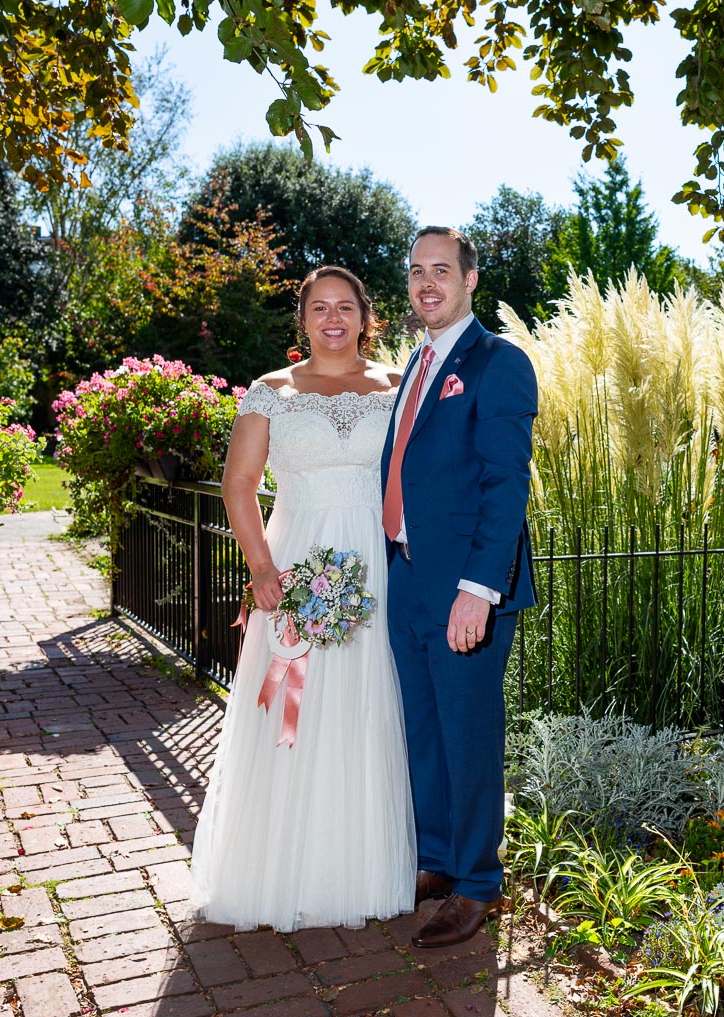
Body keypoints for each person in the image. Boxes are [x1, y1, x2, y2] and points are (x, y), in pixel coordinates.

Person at [190, 266, 415, 931]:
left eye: (346, 306)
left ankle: (360, 867)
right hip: (297, 566)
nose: (333, 318)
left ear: (366, 316)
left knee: (364, 705)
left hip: (376, 566)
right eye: (320, 307)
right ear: (304, 319)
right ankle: (279, 871)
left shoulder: (399, 388)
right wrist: (263, 571)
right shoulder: (271, 393)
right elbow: (239, 486)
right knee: (293, 711)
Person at [382, 227, 538, 949]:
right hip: (406, 576)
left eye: (441, 270)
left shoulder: (498, 364)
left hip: (464, 589)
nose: (427, 284)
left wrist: (479, 588)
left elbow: (506, 487)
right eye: (417, 271)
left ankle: (477, 882)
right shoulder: (414, 364)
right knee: (423, 727)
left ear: (470, 280)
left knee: (469, 733)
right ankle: (438, 860)